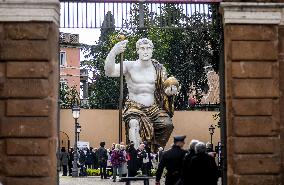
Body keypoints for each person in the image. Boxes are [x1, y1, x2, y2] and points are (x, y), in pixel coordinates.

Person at [105, 38, 180, 150]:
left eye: (148, 48)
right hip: (134, 107)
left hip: (154, 108)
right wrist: (113, 52)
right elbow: (109, 72)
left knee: (167, 125)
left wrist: (170, 93)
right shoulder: (129, 66)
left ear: (152, 51)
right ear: (137, 51)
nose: (145, 51)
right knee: (134, 123)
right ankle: (136, 154)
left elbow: (163, 92)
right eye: (142, 48)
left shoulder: (159, 69)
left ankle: (155, 151)